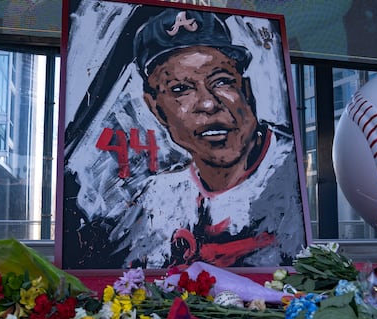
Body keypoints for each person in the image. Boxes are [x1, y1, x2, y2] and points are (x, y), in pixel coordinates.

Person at [111, 9, 307, 269]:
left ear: (245, 90)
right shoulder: (160, 199)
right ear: (156, 109)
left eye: (222, 81)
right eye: (181, 89)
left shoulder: (291, 171)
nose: (208, 103)